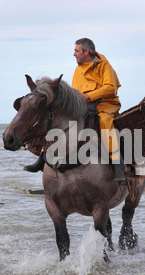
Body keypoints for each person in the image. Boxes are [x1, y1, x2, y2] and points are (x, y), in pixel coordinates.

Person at [23, 38, 126, 183]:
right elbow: (75, 90)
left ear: (86, 51)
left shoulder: (104, 66)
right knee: (58, 120)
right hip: (83, 104)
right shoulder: (78, 69)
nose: (74, 54)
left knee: (104, 121)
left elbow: (110, 88)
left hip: (105, 104)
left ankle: (117, 166)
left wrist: (88, 96)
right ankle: (42, 158)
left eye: (76, 51)